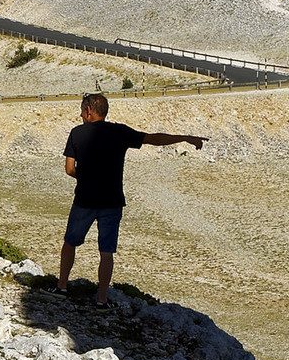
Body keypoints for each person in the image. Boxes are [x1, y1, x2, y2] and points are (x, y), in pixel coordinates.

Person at [60, 93, 205, 303]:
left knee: (70, 242)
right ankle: (102, 300)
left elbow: (69, 169)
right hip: (112, 201)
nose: (81, 116)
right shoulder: (120, 132)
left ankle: (62, 287)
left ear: (89, 110)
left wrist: (86, 177)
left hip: (85, 199)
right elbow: (153, 139)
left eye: (82, 111)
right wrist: (184, 138)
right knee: (106, 251)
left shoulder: (76, 133)